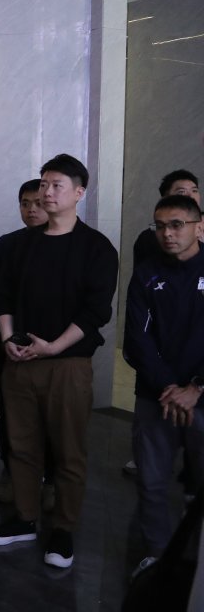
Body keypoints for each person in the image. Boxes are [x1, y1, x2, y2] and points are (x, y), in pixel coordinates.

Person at [0, 154, 119, 570]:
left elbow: (96, 312)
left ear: (79, 192)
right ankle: (25, 518)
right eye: (43, 184)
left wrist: (55, 347)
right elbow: (3, 298)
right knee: (22, 445)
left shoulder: (96, 248)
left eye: (57, 185)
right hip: (20, 360)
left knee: (68, 450)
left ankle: (63, 529)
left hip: (68, 365)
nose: (46, 192)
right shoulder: (21, 245)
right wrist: (8, 338)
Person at [123, 195, 204, 572]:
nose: (167, 233)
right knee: (151, 482)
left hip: (201, 397)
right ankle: (156, 557)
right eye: (160, 226)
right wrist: (170, 388)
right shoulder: (146, 274)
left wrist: (196, 387)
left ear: (198, 227)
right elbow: (137, 340)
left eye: (176, 225)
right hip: (156, 396)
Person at [0, 179, 49, 504]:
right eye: (25, 203)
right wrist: (10, 334)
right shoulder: (7, 244)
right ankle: (11, 472)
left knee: (49, 416)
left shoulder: (66, 244)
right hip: (9, 341)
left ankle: (49, 478)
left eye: (38, 202)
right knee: (10, 412)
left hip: (52, 347)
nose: (31, 209)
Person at [133, 169, 201, 268]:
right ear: (165, 198)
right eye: (181, 192)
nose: (191, 196)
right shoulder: (149, 238)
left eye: (194, 191)